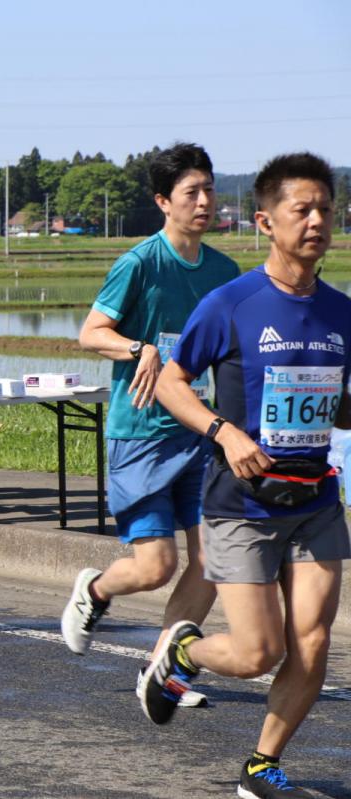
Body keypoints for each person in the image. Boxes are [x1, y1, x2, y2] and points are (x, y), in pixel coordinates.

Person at [146, 152, 350, 799]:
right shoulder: (231, 304)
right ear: (266, 221)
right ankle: (182, 654)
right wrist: (223, 431)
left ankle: (263, 760)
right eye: (303, 209)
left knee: (312, 642)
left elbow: (340, 403)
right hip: (242, 504)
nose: (317, 220)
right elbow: (173, 383)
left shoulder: (343, 313)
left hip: (315, 500)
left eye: (326, 209)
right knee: (257, 652)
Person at [59, 144, 238, 711]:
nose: (205, 201)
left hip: (198, 433)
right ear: (164, 202)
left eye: (209, 189)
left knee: (211, 560)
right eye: (192, 192)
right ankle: (95, 589)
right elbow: (91, 332)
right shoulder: (140, 263)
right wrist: (139, 349)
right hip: (140, 435)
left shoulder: (223, 272)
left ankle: (161, 669)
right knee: (156, 567)